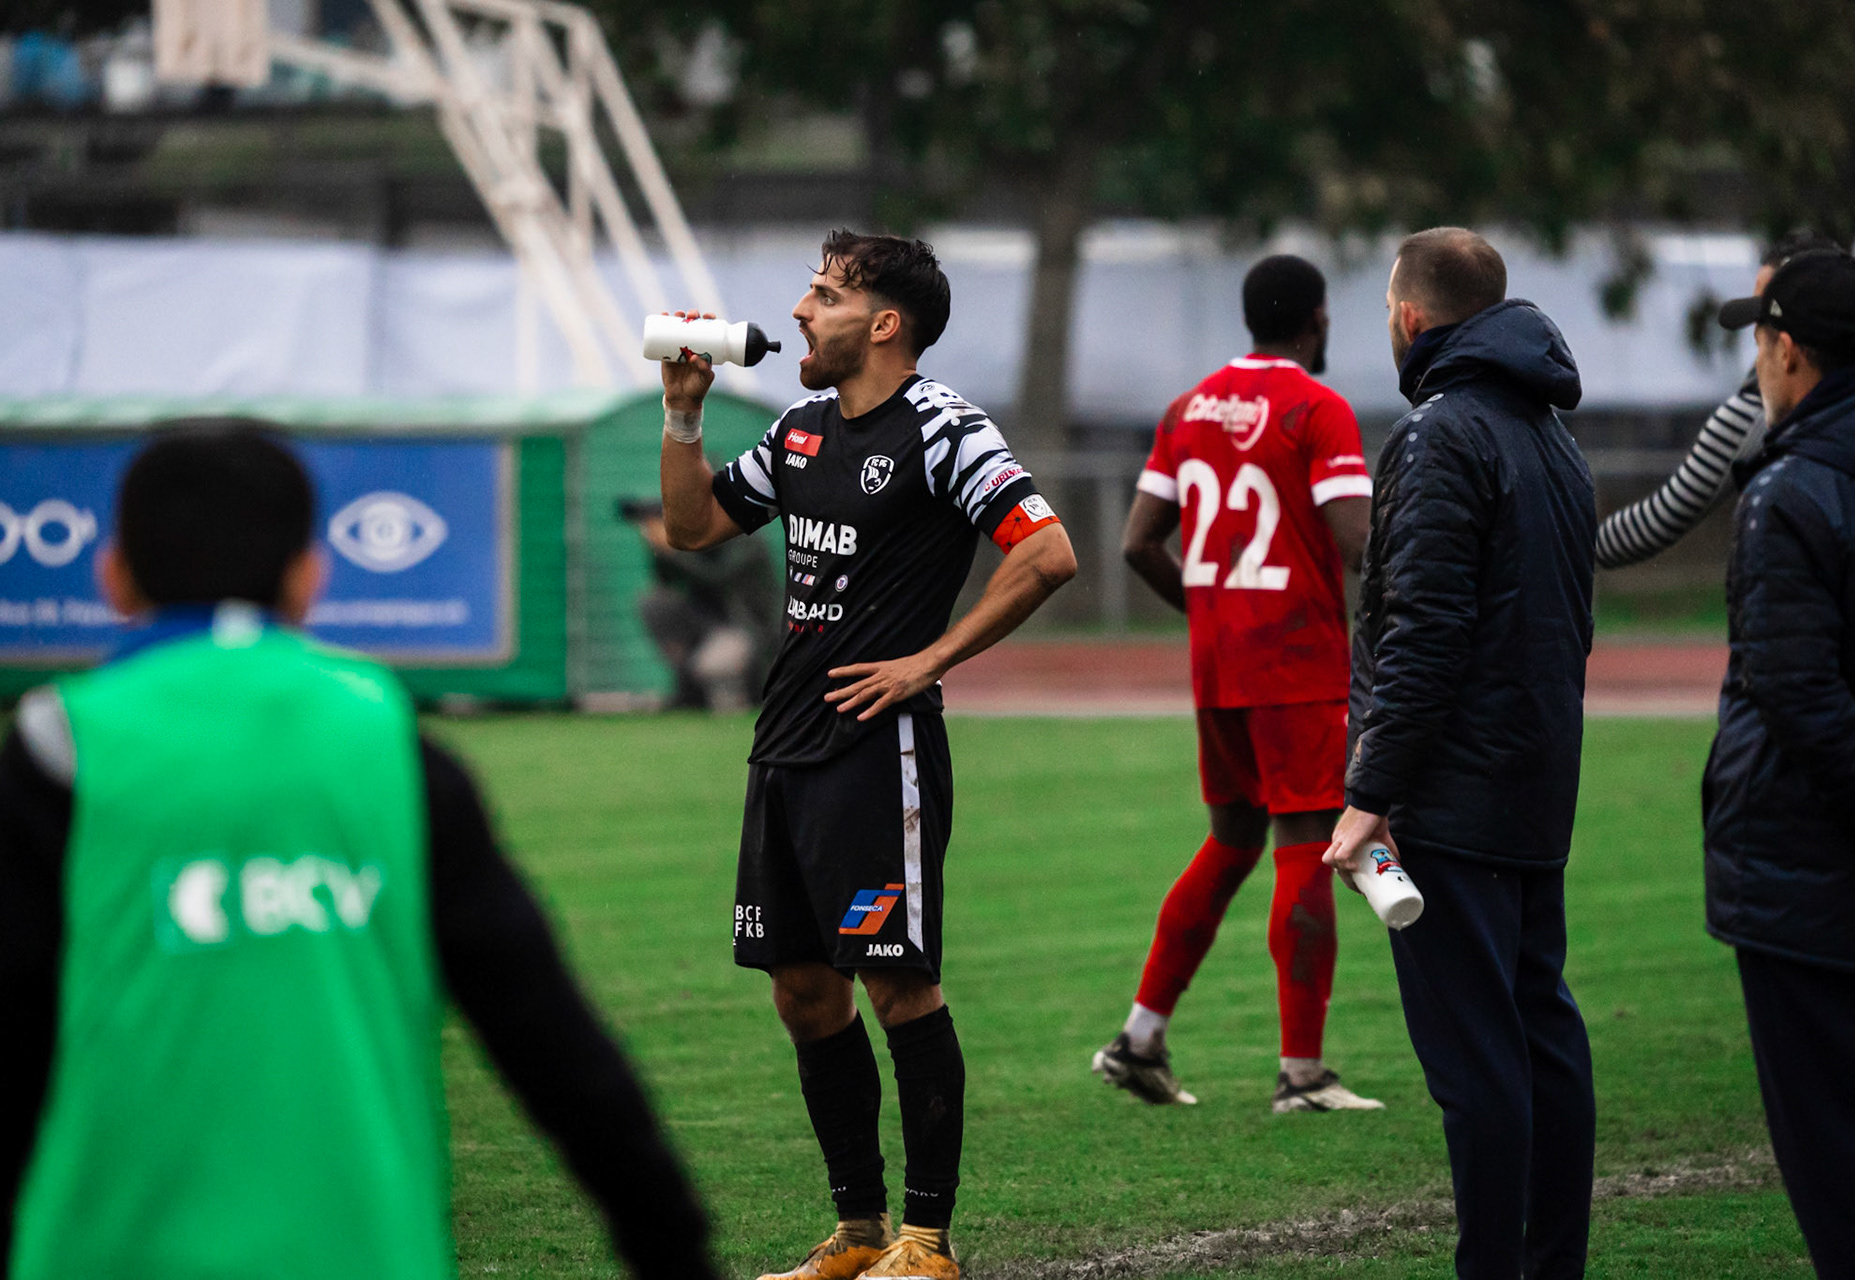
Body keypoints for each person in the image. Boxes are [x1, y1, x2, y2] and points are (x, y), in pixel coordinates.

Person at [0, 425, 716, 1280]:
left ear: (112, 576)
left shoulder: (53, 749)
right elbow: (555, 1047)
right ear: (311, 577)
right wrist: (674, 1251)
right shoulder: (392, 744)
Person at [655, 230, 1077, 1280]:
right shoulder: (799, 431)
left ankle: (927, 1241)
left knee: (896, 983)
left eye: (825, 293)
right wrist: (683, 414)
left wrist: (928, 658)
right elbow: (697, 525)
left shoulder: (944, 428)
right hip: (785, 746)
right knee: (802, 988)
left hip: (875, 752)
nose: (800, 310)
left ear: (884, 324)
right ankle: (856, 1231)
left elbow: (1048, 550)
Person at [1325, 228, 1598, 1279]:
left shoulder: (1443, 431)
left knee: (1480, 1058)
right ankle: (1549, 1262)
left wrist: (1370, 790)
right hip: (1535, 778)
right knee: (1541, 1036)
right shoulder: (1549, 428)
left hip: (1456, 794)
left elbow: (1424, 629)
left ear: (1409, 315)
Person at [1090, 254, 1380, 1113]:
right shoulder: (1318, 409)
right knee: (1305, 846)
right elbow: (1360, 543)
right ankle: (1302, 1075)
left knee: (1230, 843)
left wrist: (1212, 613)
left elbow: (1139, 541)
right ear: (1317, 319)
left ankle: (1140, 1038)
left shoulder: (1190, 406)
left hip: (1220, 666)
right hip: (1295, 662)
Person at [1707, 252, 1855, 1280]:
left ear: (1787, 350)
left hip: (1814, 873)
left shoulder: (1794, 487)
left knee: (1842, 1176)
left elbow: (1796, 692)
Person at [1594, 234, 1838, 569]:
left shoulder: (1760, 412)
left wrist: (1552, 540)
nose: (1757, 338)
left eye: (1767, 322)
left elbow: (1654, 522)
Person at [618, 495, 779, 711]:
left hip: (753, 633)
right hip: (710, 628)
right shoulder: (697, 538)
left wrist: (672, 551)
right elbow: (666, 583)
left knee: (714, 666)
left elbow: (718, 577)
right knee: (656, 602)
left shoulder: (745, 539)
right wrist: (658, 549)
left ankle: (733, 693)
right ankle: (689, 683)